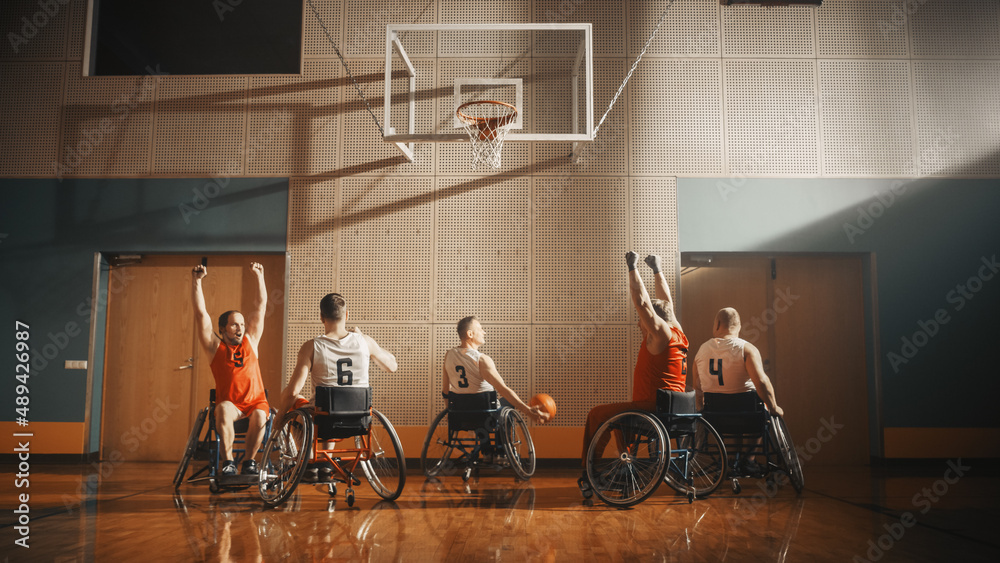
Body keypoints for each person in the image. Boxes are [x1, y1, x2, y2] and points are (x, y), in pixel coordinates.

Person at [580, 253, 689, 485]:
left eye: (642, 321)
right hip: (673, 408)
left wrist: (632, 268)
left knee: (597, 414)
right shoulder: (677, 332)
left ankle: (590, 473)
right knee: (620, 418)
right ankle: (626, 467)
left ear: (654, 321)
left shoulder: (661, 335)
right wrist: (657, 270)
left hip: (653, 409)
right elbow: (667, 303)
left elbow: (643, 304)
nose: (639, 323)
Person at [191, 262, 270, 476]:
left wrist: (259, 276)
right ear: (223, 328)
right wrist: (197, 281)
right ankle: (228, 463)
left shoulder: (251, 341)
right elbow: (200, 314)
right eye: (234, 324)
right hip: (231, 405)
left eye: (242, 324)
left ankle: (250, 462)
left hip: (255, 403)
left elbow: (261, 306)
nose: (240, 328)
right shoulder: (214, 347)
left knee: (260, 415)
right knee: (223, 408)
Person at [281, 293, 399, 415]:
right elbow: (392, 366)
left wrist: (278, 420)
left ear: (321, 317)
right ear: (347, 315)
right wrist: (364, 337)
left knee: (293, 398)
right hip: (358, 416)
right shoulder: (365, 341)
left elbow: (293, 392)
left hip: (323, 418)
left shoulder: (311, 347)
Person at [443, 315, 549, 426]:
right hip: (486, 416)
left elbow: (445, 390)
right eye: (480, 329)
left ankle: (478, 434)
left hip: (460, 415)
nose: (484, 332)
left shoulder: (449, 355)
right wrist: (528, 411)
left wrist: (450, 410)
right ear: (470, 334)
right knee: (507, 402)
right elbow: (503, 389)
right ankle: (501, 437)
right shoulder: (481, 360)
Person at [691, 307, 783, 417]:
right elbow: (761, 382)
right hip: (747, 418)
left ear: (717, 325)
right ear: (739, 326)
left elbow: (697, 390)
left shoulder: (701, 351)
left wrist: (701, 411)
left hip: (714, 420)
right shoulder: (747, 349)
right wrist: (774, 408)